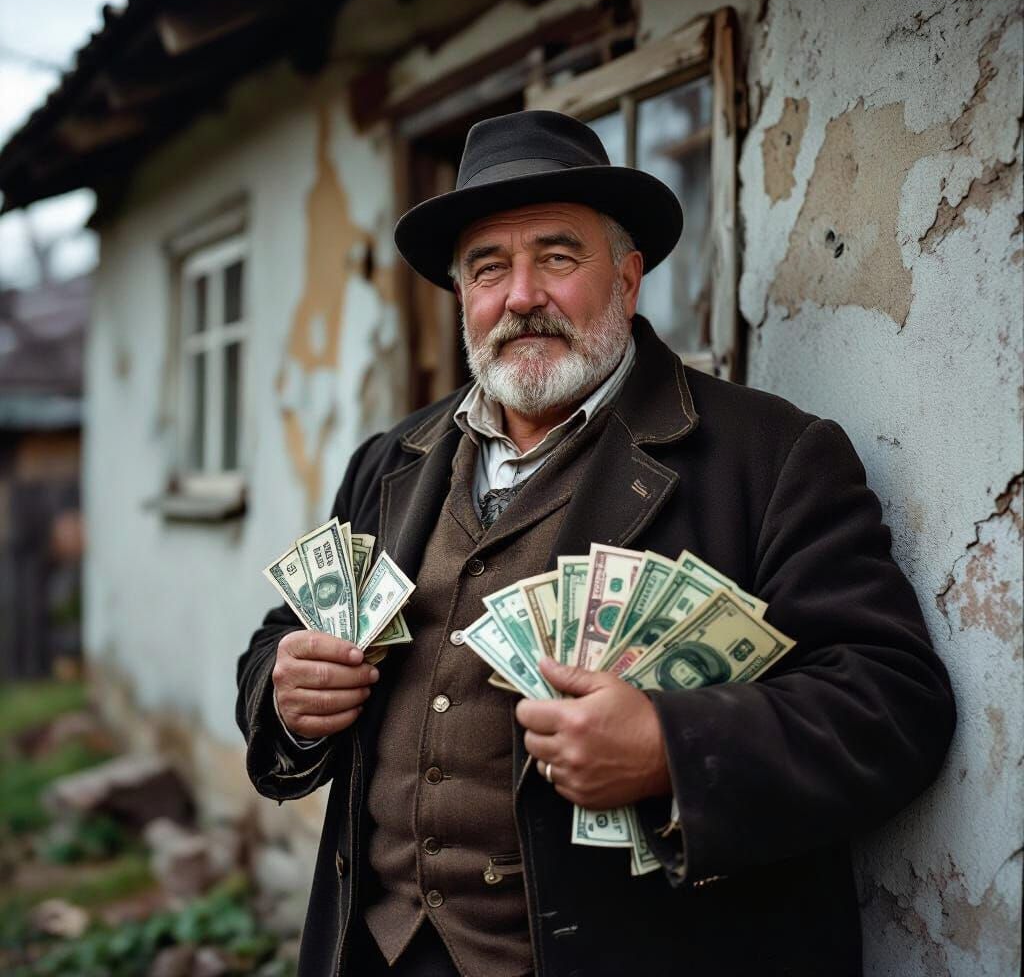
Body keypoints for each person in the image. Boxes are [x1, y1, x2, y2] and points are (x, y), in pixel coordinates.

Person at [236, 110, 955, 977]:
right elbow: (282, 637)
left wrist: (672, 749)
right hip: (379, 953)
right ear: (463, 297)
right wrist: (286, 694)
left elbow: (894, 705)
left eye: (557, 257)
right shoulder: (389, 462)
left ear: (627, 277)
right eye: (488, 268)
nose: (521, 296)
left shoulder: (772, 457)